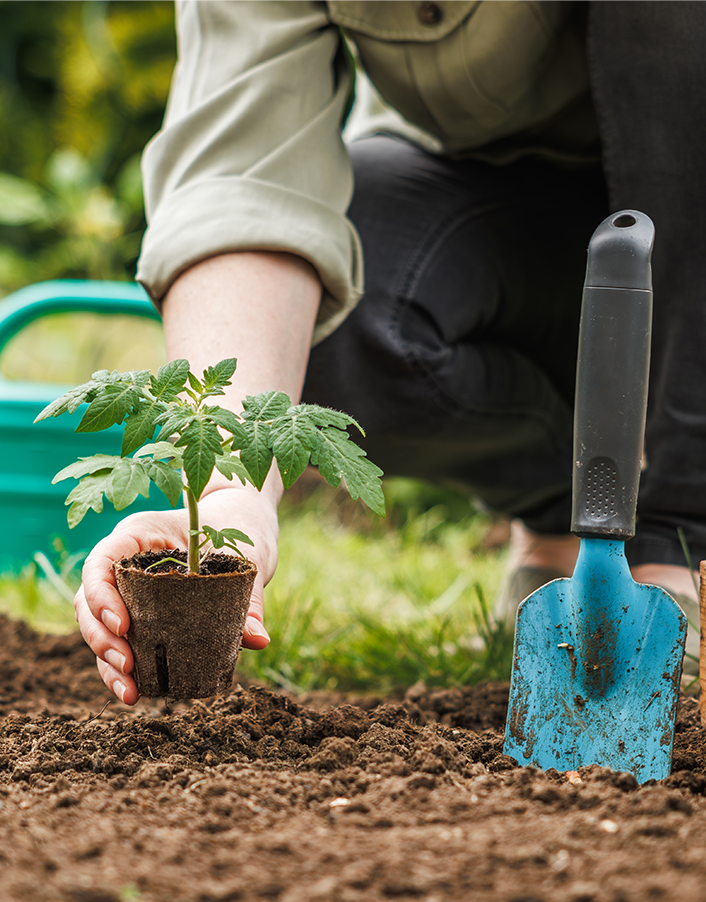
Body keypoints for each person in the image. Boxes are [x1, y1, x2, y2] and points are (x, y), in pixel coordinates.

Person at [75, 1, 706, 705]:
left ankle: (685, 530)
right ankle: (575, 518)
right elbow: (242, 168)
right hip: (507, 212)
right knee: (342, 304)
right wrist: (234, 495)